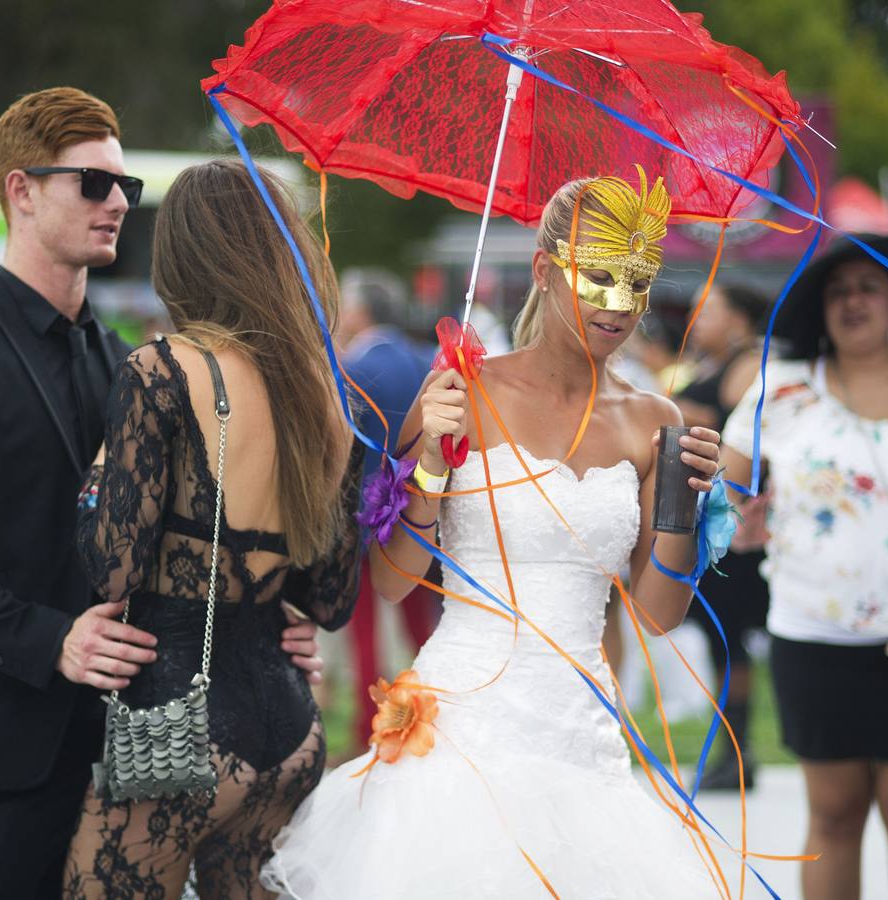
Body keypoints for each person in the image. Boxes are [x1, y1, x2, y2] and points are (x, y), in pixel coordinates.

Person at [0, 87, 324, 899]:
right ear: (21, 190)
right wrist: (51, 641)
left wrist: (263, 622)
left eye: (125, 187)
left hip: (132, 748)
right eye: (93, 183)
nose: (117, 202)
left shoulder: (127, 358)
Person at [263, 169, 728, 897]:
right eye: (598, 274)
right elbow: (391, 581)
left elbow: (657, 614)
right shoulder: (461, 393)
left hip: (583, 741)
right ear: (544, 269)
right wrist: (427, 466)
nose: (619, 304)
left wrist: (686, 509)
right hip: (460, 730)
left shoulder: (654, 421)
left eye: (637, 282)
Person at [62, 159, 363, 899]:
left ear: (184, 252)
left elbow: (114, 570)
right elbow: (329, 601)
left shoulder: (162, 370)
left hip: (177, 718)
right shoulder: (325, 392)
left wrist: (102, 468)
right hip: (289, 729)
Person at [721, 234, 888, 900]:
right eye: (837, 291)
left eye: (868, 288)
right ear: (820, 309)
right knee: (835, 813)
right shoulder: (782, 387)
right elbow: (728, 488)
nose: (852, 301)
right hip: (815, 633)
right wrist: (741, 522)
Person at [337, 268, 440, 752]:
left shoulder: (352, 369)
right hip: (420, 511)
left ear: (360, 312)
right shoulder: (426, 360)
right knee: (423, 622)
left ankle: (368, 727)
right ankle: (432, 710)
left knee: (364, 631)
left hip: (363, 511)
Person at [674, 281, 771, 789]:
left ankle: (737, 750)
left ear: (739, 319)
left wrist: (665, 408)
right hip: (712, 519)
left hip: (737, 526)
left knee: (730, 637)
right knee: (720, 639)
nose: (696, 319)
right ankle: (733, 748)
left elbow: (732, 424)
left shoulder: (751, 365)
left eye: (707, 310)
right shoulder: (711, 363)